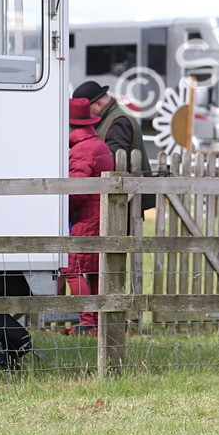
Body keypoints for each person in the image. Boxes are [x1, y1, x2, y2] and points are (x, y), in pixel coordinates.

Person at [66, 97, 115, 335]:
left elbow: (76, 192)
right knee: (94, 269)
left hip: (86, 217)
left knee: (71, 267)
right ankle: (95, 322)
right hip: (100, 215)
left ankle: (87, 322)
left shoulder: (82, 150)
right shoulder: (96, 144)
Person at [72, 80, 154, 213]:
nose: (84, 115)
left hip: (121, 201)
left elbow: (114, 164)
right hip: (121, 198)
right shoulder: (113, 117)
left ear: (98, 104)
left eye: (85, 109)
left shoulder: (118, 121)